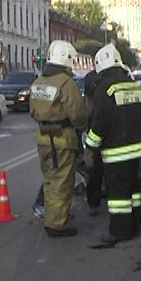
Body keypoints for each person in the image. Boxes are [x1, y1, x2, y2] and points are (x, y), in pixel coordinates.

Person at [86, 44, 141, 245]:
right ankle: (135, 225)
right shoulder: (132, 84)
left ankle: (120, 231)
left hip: (116, 151)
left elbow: (100, 120)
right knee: (133, 190)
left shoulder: (104, 88)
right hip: (136, 148)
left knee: (118, 195)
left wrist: (91, 145)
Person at [29, 41, 87, 238]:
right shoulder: (66, 83)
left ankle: (51, 217)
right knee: (62, 182)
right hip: (62, 138)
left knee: (50, 179)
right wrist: (81, 127)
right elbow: (77, 113)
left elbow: (32, 111)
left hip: (42, 138)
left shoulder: (38, 82)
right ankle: (57, 224)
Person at [83, 68, 104, 216]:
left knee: (94, 168)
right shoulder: (114, 76)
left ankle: (93, 203)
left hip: (95, 126)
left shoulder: (90, 77)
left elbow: (88, 103)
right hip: (112, 129)